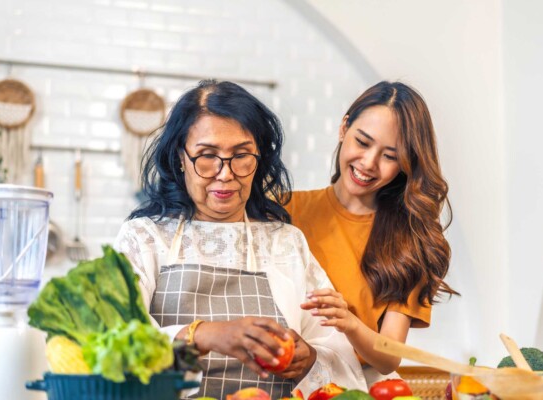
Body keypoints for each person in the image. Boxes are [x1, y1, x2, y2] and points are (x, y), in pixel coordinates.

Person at [114, 80, 367, 399]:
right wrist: (205, 336)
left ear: (258, 159)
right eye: (207, 156)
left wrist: (310, 359)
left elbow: (337, 354)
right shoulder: (144, 237)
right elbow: (115, 340)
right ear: (181, 158)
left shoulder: (284, 243)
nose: (225, 173)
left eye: (241, 156)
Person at [288, 81, 459, 379]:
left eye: (390, 156)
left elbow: (390, 358)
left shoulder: (410, 240)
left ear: (406, 164)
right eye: (363, 142)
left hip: (360, 389)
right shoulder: (285, 209)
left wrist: (349, 322)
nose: (368, 163)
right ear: (344, 129)